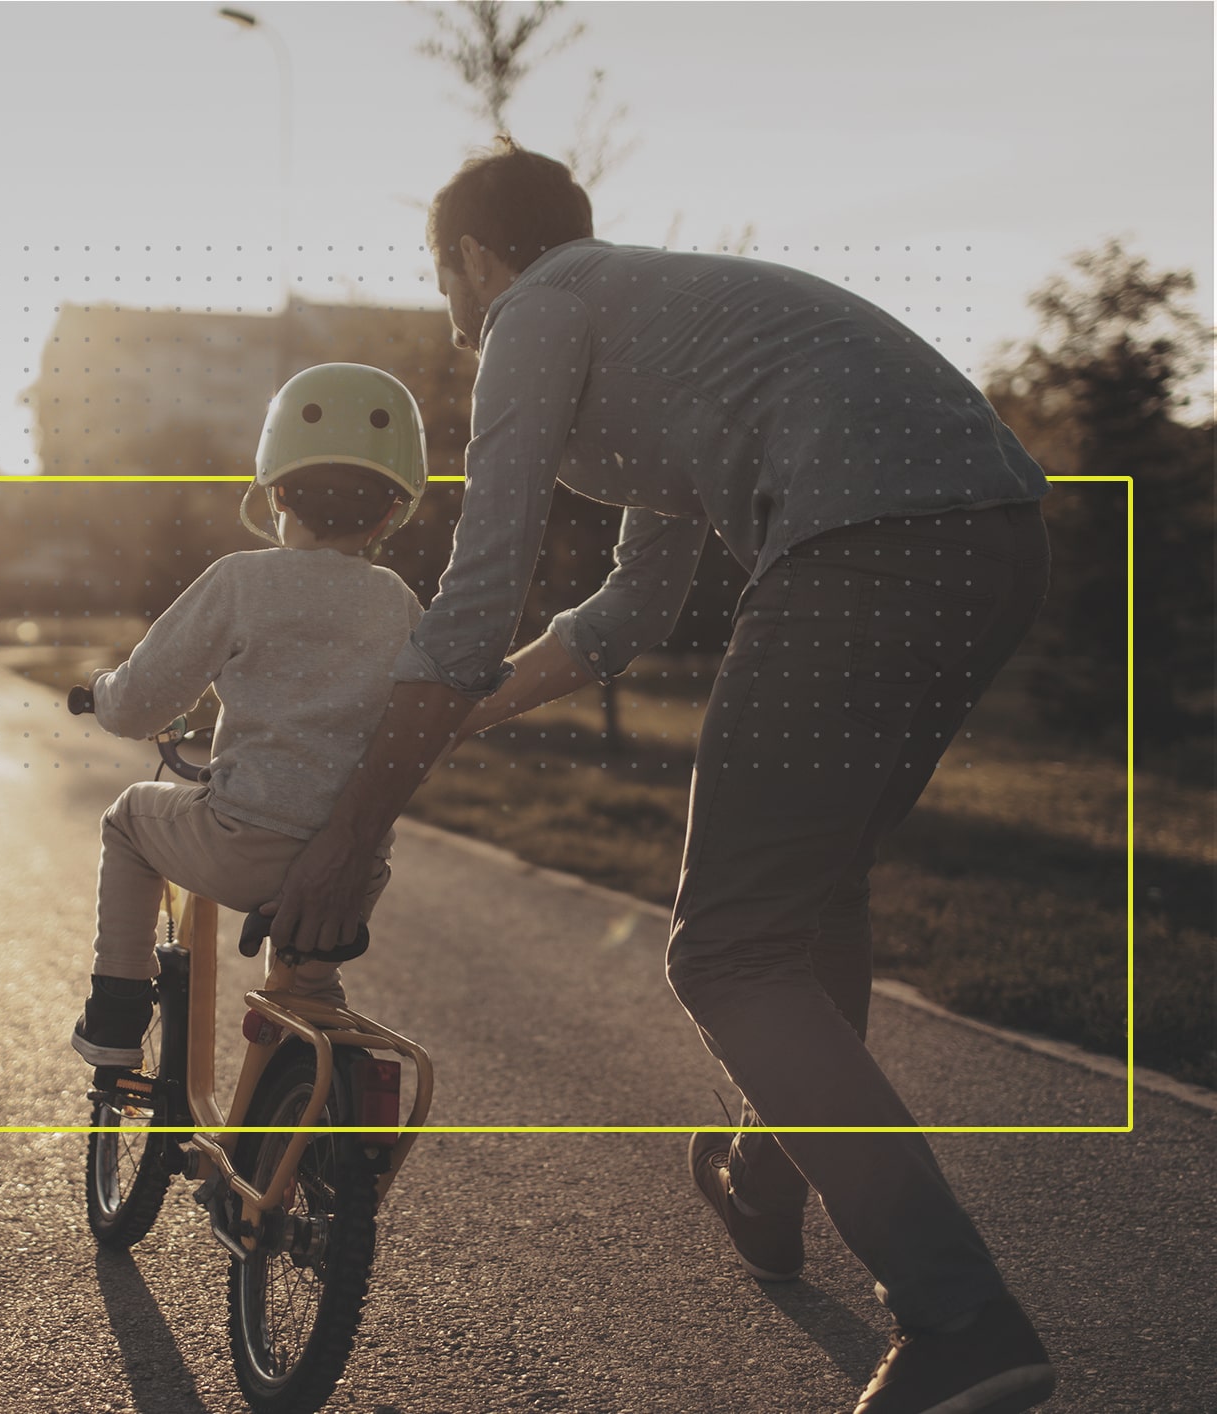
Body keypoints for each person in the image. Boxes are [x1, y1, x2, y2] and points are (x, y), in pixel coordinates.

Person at [264, 141, 1056, 1414]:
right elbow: (629, 605)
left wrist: (354, 830)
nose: (453, 319)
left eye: (442, 281)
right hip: (993, 537)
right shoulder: (658, 326)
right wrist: (457, 723)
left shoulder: (539, 309)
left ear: (474, 258)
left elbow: (475, 592)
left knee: (724, 952)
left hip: (858, 549)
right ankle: (765, 1171)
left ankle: (958, 1315)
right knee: (809, 901)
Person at [70, 363, 429, 1071]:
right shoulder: (399, 601)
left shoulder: (243, 580)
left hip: (244, 848)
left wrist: (104, 694)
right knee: (309, 987)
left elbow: (143, 700)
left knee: (130, 819)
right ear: (393, 509)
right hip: (354, 871)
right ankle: (311, 1102)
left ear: (276, 490)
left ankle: (115, 1011)